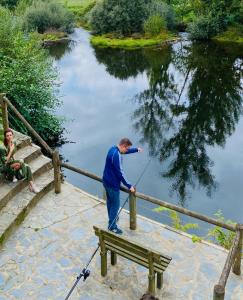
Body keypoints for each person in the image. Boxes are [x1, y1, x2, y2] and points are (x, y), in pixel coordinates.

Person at [103, 138, 142, 234]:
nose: (127, 150)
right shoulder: (117, 156)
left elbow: (124, 152)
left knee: (110, 202)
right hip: (113, 184)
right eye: (127, 148)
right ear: (123, 146)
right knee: (115, 205)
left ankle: (112, 219)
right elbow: (120, 173)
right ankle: (112, 226)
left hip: (106, 181)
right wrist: (129, 186)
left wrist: (136, 150)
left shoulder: (112, 149)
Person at [0, 128, 39, 193]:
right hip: (4, 165)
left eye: (10, 135)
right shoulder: (2, 147)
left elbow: (12, 156)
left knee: (27, 166)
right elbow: (5, 161)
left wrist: (14, 162)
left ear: (12, 135)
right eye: (7, 136)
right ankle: (23, 176)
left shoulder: (14, 142)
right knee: (21, 162)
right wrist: (11, 150)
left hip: (11, 162)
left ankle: (32, 185)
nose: (9, 137)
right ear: (5, 137)